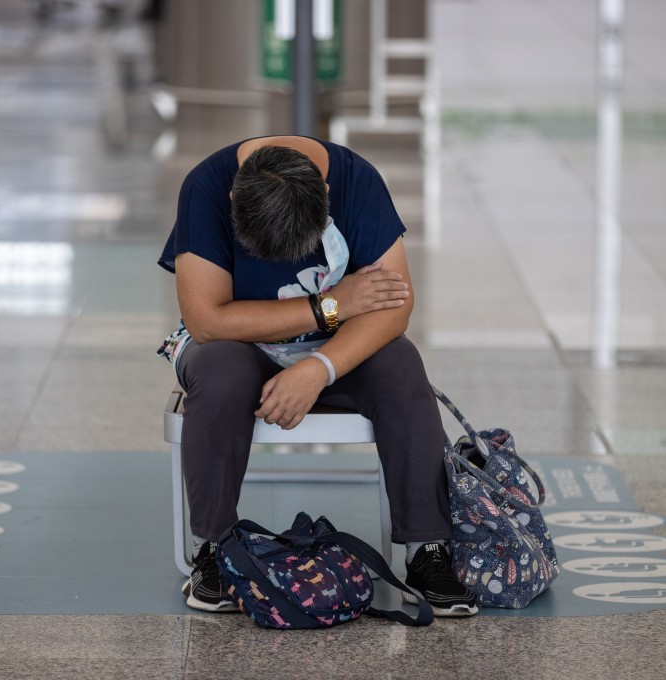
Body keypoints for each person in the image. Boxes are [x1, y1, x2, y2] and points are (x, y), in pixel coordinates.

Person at [158, 135, 477, 617]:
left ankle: (428, 550)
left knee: (400, 364)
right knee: (221, 373)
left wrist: (318, 367)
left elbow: (395, 307)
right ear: (232, 199)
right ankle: (215, 547)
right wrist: (330, 305)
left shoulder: (357, 181)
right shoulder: (206, 184)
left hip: (331, 346)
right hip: (234, 344)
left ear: (325, 195)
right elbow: (207, 320)